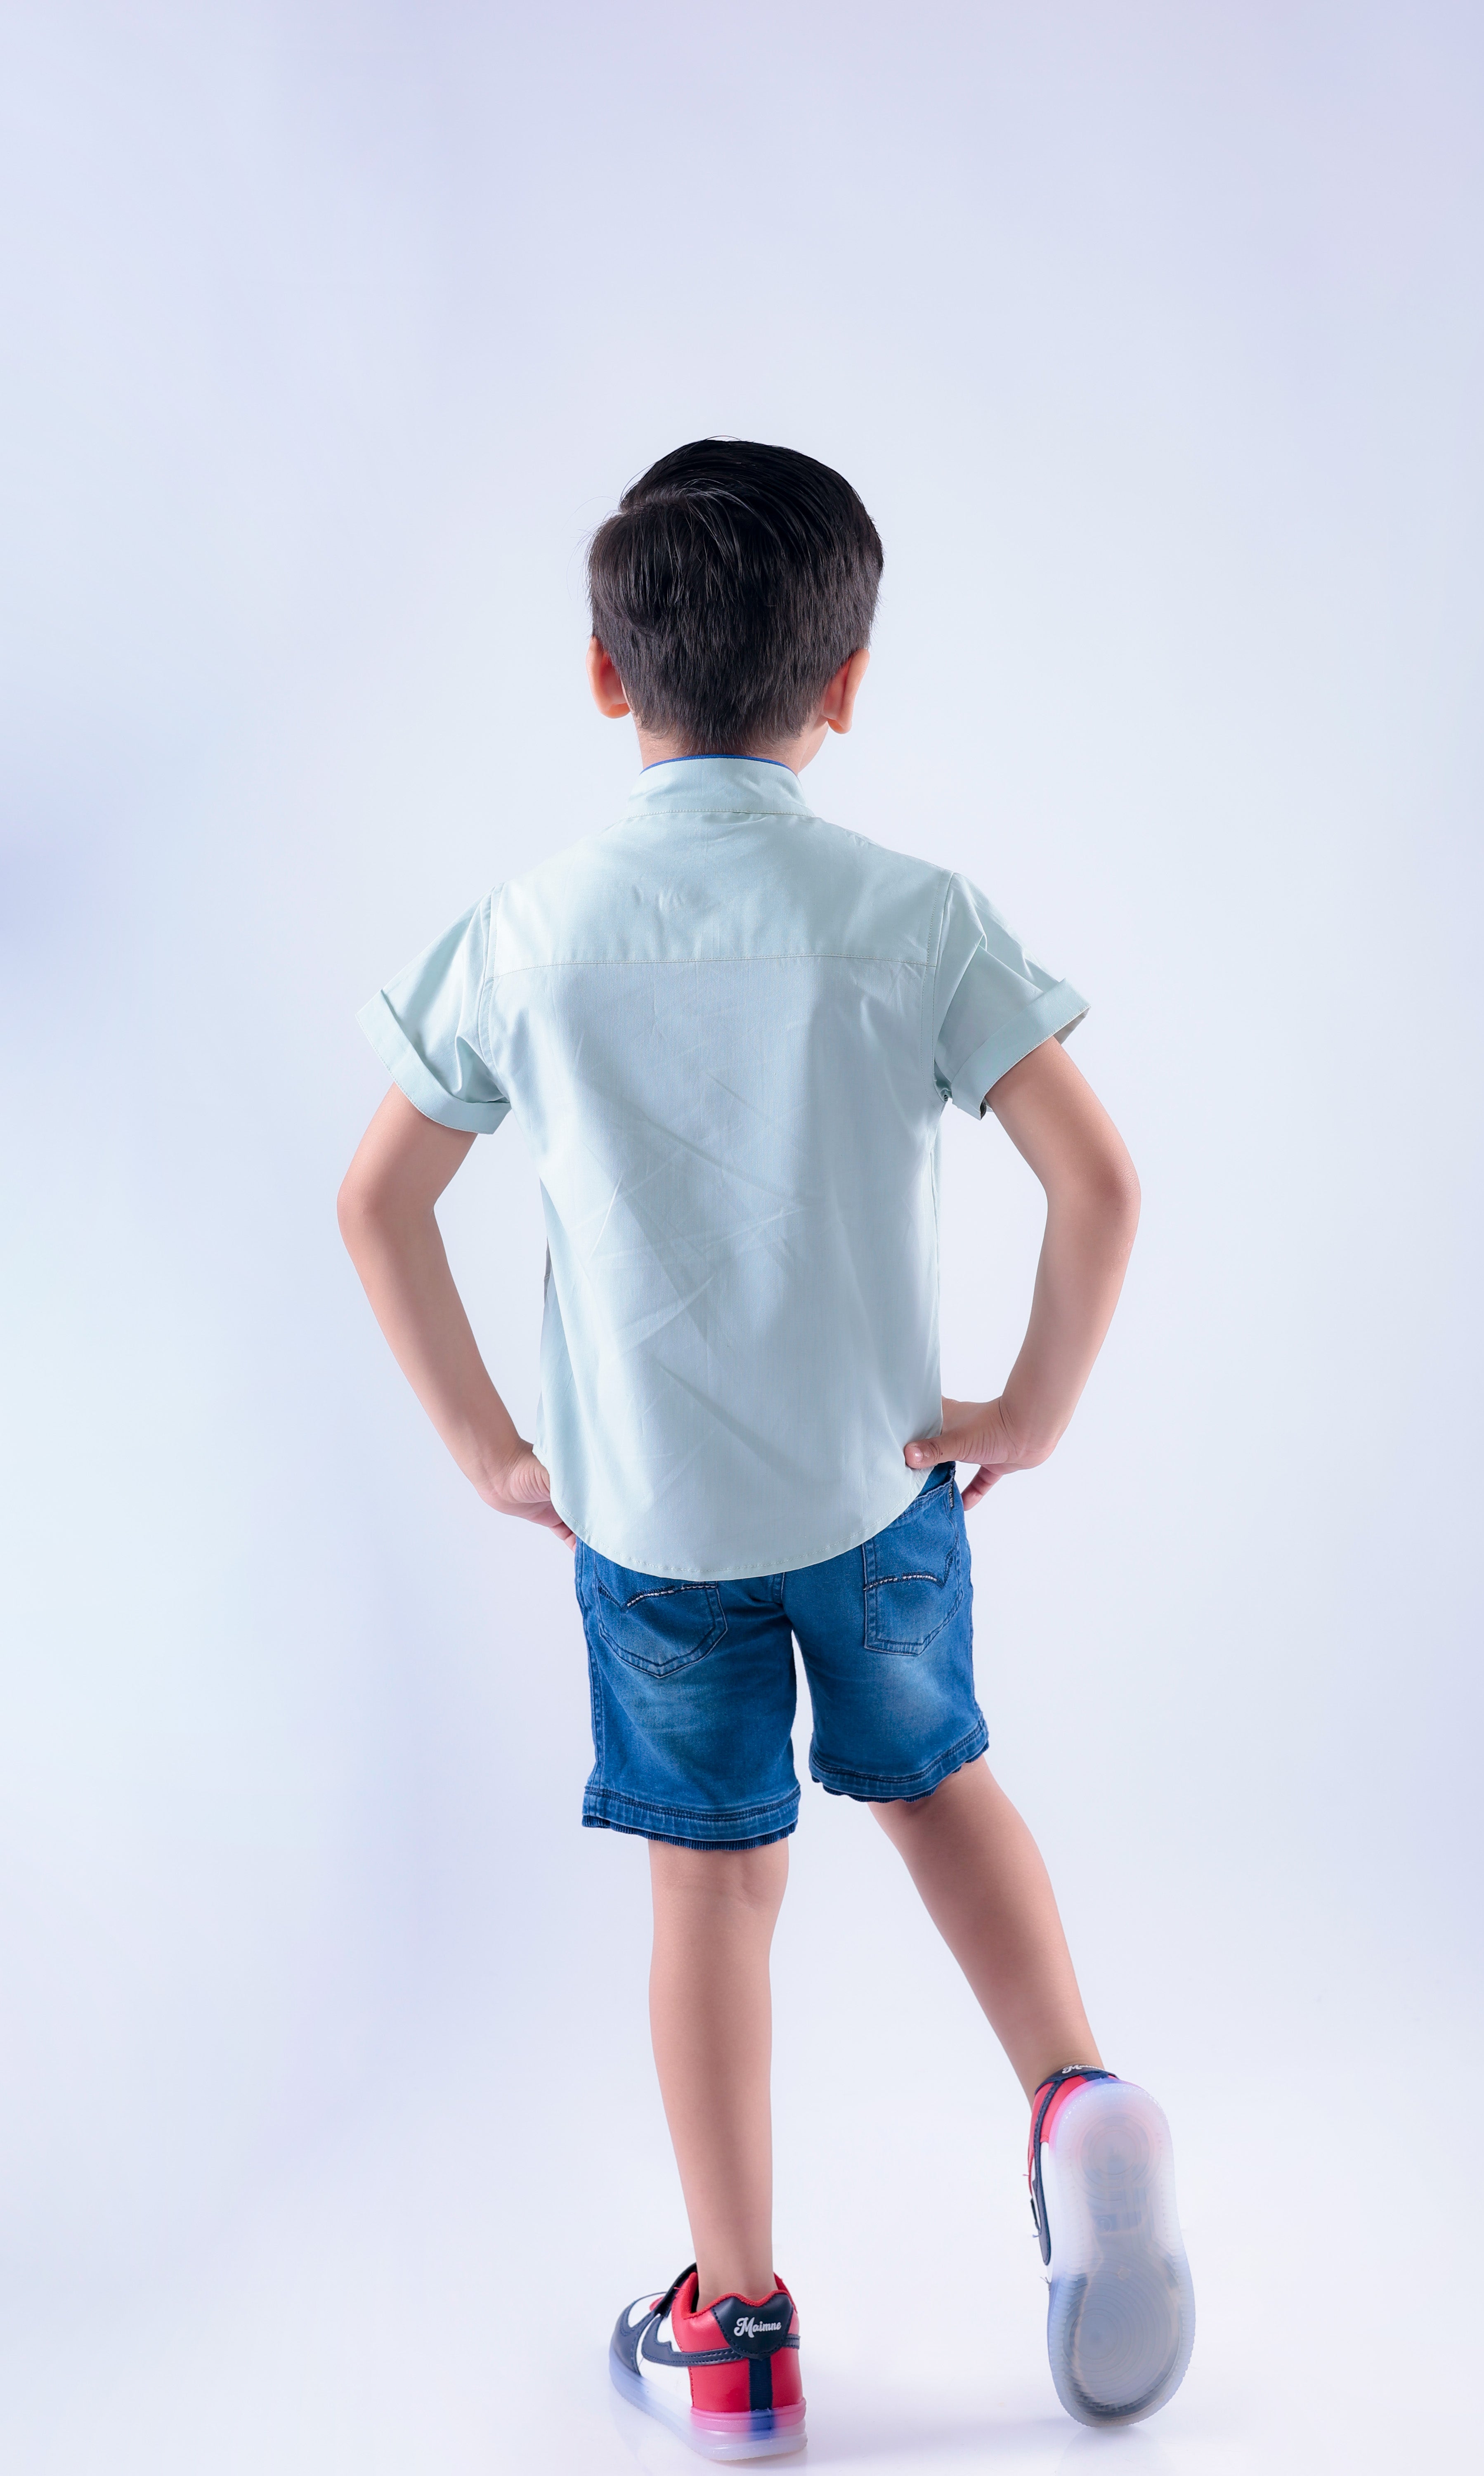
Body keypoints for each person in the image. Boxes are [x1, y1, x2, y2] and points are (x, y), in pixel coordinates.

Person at [337, 439, 1194, 2457]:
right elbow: (1102, 1183)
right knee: (941, 1789)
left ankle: (735, 2337)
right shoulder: (909, 913)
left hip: (649, 1521)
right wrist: (1036, 1405)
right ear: (848, 685)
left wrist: (481, 1439)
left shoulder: (525, 929)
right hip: (880, 1484)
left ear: (603, 680)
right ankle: (1073, 2103)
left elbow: (377, 1197)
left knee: (711, 1898)